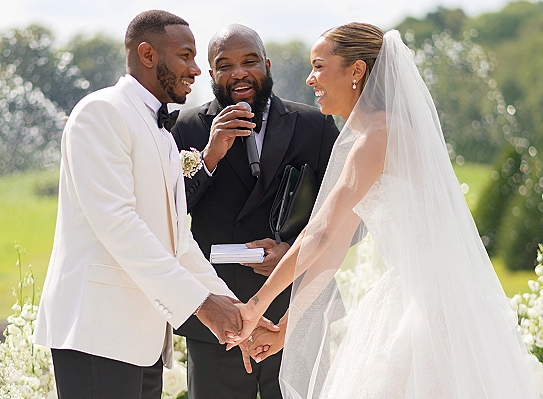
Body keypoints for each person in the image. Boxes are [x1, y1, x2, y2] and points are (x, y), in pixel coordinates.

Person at [232, 23, 542, 398]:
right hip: (418, 293)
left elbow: (321, 233)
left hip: (427, 309)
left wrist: (254, 305)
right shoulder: (378, 135)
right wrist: (284, 326)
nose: (310, 79)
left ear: (356, 71)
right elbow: (331, 250)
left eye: (318, 66)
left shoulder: (377, 138)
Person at [33, 10, 247, 399]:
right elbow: (119, 225)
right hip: (97, 334)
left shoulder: (162, 133)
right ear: (148, 54)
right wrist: (203, 306)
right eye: (186, 55)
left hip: (143, 340)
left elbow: (178, 241)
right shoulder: (101, 113)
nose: (196, 69)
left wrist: (238, 314)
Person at [171, 24, 339, 399]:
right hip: (216, 314)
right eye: (225, 64)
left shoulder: (314, 125)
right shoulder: (184, 130)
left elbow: (348, 217)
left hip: (296, 310)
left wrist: (292, 253)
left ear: (266, 65)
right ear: (212, 75)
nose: (239, 72)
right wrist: (210, 156)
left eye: (249, 61)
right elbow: (166, 212)